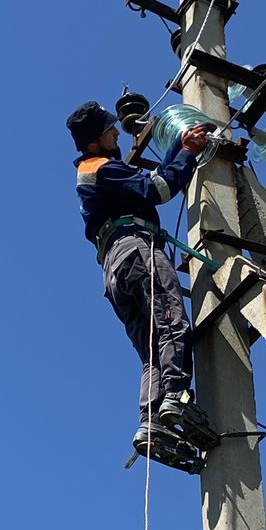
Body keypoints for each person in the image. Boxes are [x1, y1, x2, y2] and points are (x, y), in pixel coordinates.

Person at [66, 100, 218, 473]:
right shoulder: (101, 168)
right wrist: (188, 153)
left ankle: (152, 422)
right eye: (109, 129)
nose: (115, 132)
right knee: (170, 323)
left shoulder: (96, 170)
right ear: (94, 140)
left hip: (114, 267)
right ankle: (177, 397)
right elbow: (158, 189)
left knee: (152, 348)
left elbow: (149, 181)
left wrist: (178, 145)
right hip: (137, 249)